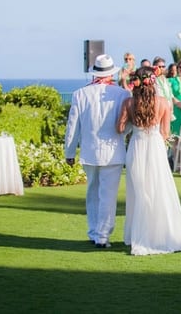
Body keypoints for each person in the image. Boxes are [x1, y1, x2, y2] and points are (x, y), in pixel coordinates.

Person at [116, 66, 181, 256]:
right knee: (158, 189)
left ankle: (137, 234)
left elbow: (120, 128)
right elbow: (165, 133)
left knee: (138, 192)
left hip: (137, 147)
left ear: (136, 82)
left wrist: (132, 122)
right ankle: (160, 235)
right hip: (155, 147)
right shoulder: (163, 102)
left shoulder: (129, 103)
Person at [64, 54, 130, 249]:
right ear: (112, 72)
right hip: (113, 151)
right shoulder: (123, 94)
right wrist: (121, 136)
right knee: (108, 195)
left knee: (92, 193)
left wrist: (69, 152)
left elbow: (72, 126)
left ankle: (94, 231)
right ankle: (102, 235)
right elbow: (126, 125)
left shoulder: (80, 94)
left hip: (89, 151)